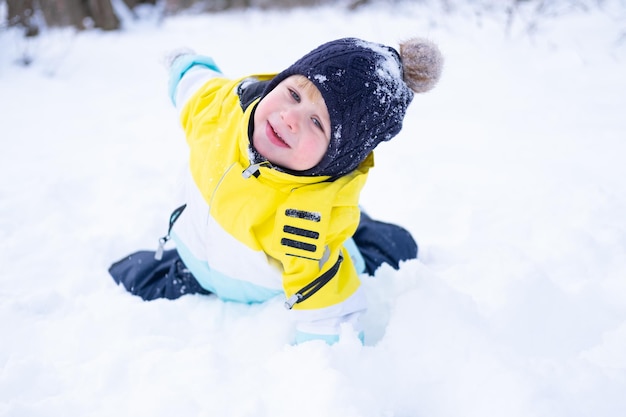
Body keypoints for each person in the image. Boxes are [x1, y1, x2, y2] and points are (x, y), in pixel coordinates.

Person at [109, 36, 443, 344]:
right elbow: (198, 87)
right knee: (126, 277)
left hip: (254, 288)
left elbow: (325, 306)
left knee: (385, 249)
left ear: (336, 158)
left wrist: (322, 356)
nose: (290, 117)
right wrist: (184, 64)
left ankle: (361, 229)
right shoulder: (223, 112)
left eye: (317, 123)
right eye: (294, 94)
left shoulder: (306, 222)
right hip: (194, 265)